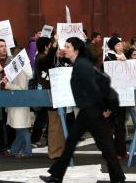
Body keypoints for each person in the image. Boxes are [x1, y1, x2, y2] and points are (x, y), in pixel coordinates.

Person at [40, 37, 125, 183]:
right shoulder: (80, 63)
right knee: (71, 143)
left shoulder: (82, 66)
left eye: (67, 47)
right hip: (87, 110)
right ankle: (56, 175)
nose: (64, 49)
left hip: (94, 111)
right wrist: (62, 55)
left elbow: (94, 89)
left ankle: (117, 178)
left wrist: (105, 109)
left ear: (76, 49)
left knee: (106, 146)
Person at [104, 36, 128, 159]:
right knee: (112, 125)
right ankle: (111, 152)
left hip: (123, 95)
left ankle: (121, 150)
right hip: (112, 96)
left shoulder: (123, 57)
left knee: (121, 124)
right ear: (113, 47)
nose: (121, 47)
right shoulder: (109, 58)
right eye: (118, 45)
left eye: (121, 45)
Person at [3, 63, 33, 158]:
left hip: (19, 103)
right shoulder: (22, 68)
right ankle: (14, 150)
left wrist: (7, 84)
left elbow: (21, 88)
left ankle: (27, 151)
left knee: (21, 129)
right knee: (20, 129)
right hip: (20, 103)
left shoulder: (20, 70)